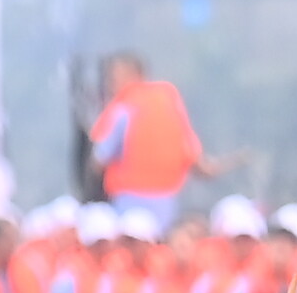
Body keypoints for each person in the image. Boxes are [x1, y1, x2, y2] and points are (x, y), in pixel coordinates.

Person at [91, 51, 219, 235]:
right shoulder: (169, 101)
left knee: (129, 245)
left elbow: (100, 158)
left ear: (133, 75)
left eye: (114, 78)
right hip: (166, 200)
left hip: (129, 198)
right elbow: (191, 151)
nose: (111, 85)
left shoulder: (123, 108)